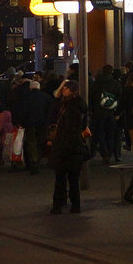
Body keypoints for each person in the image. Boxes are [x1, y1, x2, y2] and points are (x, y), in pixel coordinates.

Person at [48, 79, 91, 214]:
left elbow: (69, 127)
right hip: (74, 146)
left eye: (66, 88)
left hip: (67, 146)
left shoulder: (71, 107)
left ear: (72, 91)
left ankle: (58, 205)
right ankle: (74, 205)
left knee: (62, 178)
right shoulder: (75, 104)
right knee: (73, 178)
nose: (63, 90)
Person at [90, 64, 123, 163]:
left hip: (99, 111)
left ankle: (104, 152)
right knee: (111, 133)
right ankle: (109, 152)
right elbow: (120, 97)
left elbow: (91, 96)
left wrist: (92, 109)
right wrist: (117, 111)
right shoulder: (115, 83)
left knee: (100, 132)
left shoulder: (97, 83)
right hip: (111, 111)